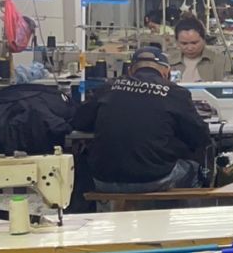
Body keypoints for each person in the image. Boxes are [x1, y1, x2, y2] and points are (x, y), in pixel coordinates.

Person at [72, 47, 210, 196]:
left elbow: (79, 122)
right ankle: (173, 211)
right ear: (167, 72)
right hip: (153, 180)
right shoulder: (176, 93)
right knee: (196, 169)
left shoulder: (108, 87)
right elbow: (201, 137)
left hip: (103, 180)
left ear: (130, 70)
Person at [167, 17, 232, 82]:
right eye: (184, 44)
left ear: (204, 40)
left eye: (194, 43)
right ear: (177, 42)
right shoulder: (168, 62)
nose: (190, 48)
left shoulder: (221, 61)